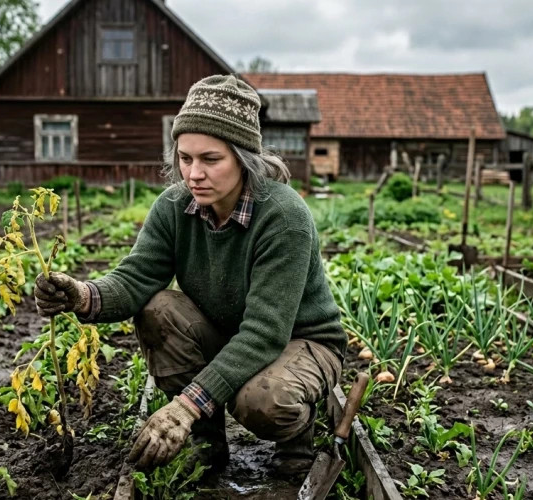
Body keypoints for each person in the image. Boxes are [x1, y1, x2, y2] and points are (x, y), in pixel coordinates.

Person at [33, 74, 346, 476]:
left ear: (244, 158)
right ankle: (207, 443)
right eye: (185, 158)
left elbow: (265, 333)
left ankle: (296, 442)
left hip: (300, 340)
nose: (193, 173)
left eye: (210, 159)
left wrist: (184, 404)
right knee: (158, 308)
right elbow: (135, 280)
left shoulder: (284, 218)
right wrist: (80, 294)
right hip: (229, 331)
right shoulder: (175, 207)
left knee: (261, 400)